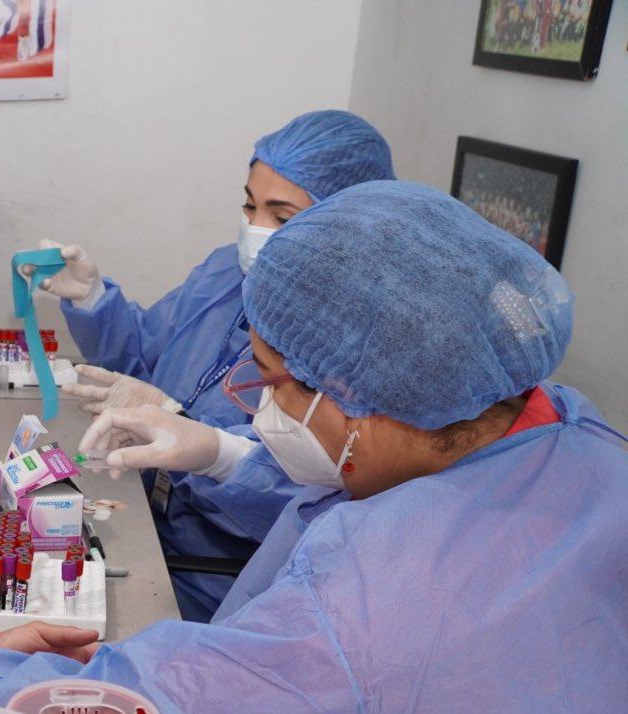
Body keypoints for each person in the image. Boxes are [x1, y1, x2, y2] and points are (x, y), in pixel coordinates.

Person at [0, 181, 628, 711]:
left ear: (370, 402)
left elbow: (114, 704)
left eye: (272, 382)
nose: (251, 400)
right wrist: (228, 456)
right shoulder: (574, 437)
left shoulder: (368, 611)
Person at [31, 110, 395, 620]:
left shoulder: (361, 332)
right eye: (249, 205)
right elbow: (145, 353)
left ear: (348, 224)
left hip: (231, 577)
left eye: (282, 217)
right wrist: (93, 301)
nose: (255, 228)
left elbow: (332, 505)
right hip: (148, 522)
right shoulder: (227, 270)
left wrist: (213, 450)